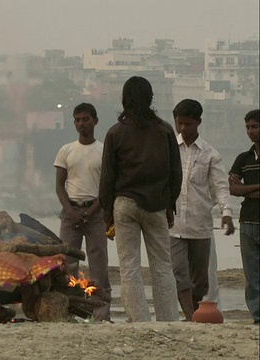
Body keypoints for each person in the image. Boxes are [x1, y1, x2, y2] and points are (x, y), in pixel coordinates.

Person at [99, 76, 182, 322]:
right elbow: (175, 173)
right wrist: (170, 204)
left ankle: (139, 320)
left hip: (125, 204)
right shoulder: (165, 129)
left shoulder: (115, 133)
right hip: (156, 205)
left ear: (124, 99)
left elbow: (107, 179)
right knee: (162, 266)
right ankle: (168, 320)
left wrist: (107, 216)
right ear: (150, 98)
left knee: (130, 267)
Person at [170, 99, 235, 321]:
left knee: (201, 280)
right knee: (178, 274)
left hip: (200, 226)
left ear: (198, 122)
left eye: (188, 124)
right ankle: (190, 317)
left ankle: (197, 312)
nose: (183, 129)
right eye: (179, 124)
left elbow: (220, 186)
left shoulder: (210, 154)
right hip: (174, 225)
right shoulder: (169, 150)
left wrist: (226, 213)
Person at [54, 102, 111, 321]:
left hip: (95, 214)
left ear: (95, 121)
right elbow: (60, 186)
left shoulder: (104, 150)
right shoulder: (66, 150)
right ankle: (68, 311)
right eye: (77, 120)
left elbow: (106, 187)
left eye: (85, 119)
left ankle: (101, 314)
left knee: (99, 267)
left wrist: (92, 211)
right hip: (71, 214)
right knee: (67, 266)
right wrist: (71, 211)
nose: (81, 124)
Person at [229, 109, 260, 325]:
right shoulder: (244, 158)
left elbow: (241, 188)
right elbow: (232, 188)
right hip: (247, 222)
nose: (250, 131)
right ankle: (257, 319)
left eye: (255, 126)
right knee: (252, 276)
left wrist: (246, 189)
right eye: (248, 127)